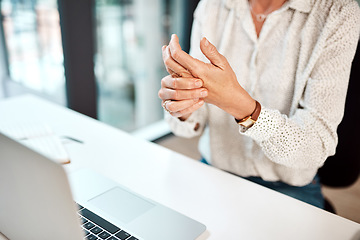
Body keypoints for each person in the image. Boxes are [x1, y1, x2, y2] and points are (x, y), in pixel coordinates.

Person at [158, 0, 360, 209]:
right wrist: (183, 103)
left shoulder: (337, 11)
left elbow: (316, 145)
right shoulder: (212, 5)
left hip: (288, 188)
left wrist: (240, 105)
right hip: (215, 171)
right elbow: (191, 124)